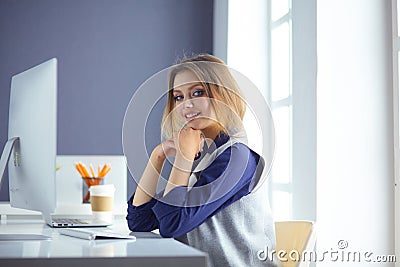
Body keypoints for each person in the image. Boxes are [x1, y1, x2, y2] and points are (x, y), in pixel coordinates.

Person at [126, 54, 277, 267]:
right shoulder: (201, 156)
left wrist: (183, 157)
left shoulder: (237, 158)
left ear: (222, 95)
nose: (186, 105)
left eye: (197, 93)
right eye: (178, 97)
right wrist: (157, 156)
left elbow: (173, 224)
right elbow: (139, 222)